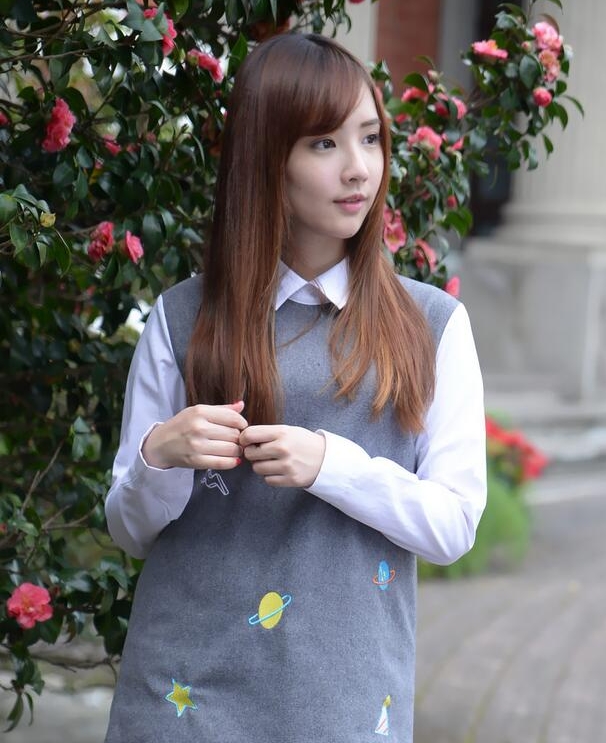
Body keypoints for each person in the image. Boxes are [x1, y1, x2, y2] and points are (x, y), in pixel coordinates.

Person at [104, 32, 486, 743]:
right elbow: (129, 531)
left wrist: (332, 465)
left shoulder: (431, 325)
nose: (358, 168)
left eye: (369, 138)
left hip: (341, 700)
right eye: (323, 144)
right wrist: (161, 454)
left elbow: (453, 525)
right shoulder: (184, 317)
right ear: (266, 158)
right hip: (182, 694)